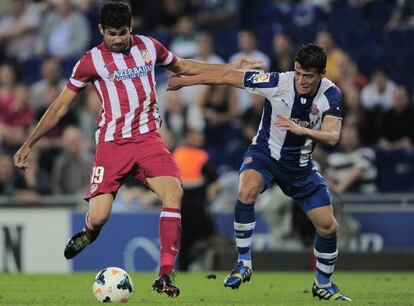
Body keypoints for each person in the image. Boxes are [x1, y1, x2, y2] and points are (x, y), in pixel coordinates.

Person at [13, 0, 260, 299]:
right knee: (101, 216)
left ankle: (165, 272)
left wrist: (229, 68)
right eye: (112, 33)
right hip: (111, 145)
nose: (118, 39)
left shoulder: (149, 47)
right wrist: (29, 143)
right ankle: (89, 232)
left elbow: (183, 65)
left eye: (124, 32)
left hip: (148, 140)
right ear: (101, 29)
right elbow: (61, 105)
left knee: (174, 192)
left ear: (132, 28)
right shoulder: (90, 61)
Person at [168, 44, 352, 301]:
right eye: (298, 73)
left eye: (308, 75)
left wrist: (303, 130)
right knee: (246, 188)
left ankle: (323, 284)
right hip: (265, 155)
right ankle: (243, 262)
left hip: (300, 167)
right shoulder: (277, 82)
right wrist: (188, 82)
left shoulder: (331, 94)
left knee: (329, 226)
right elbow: (226, 77)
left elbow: (333, 136)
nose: (301, 80)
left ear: (322, 73)